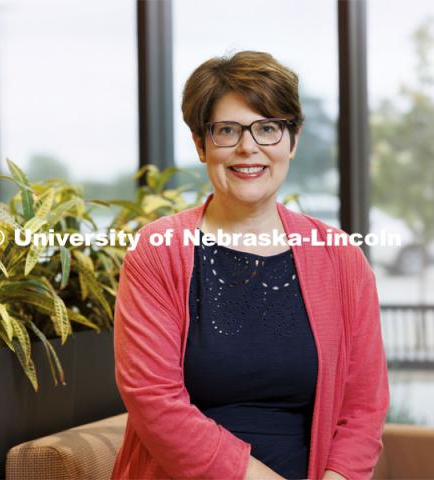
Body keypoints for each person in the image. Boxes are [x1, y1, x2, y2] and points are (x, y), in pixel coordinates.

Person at [111, 51, 390, 480]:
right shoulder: (158, 250)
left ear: (292, 142)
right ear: (201, 145)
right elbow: (153, 399)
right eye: (227, 130)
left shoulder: (341, 256)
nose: (248, 147)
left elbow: (363, 406)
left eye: (268, 128)